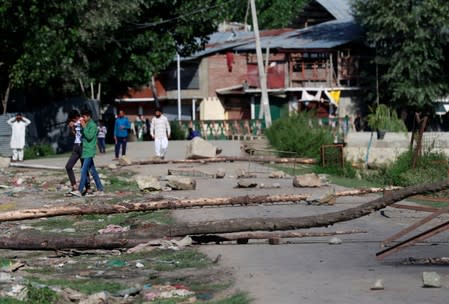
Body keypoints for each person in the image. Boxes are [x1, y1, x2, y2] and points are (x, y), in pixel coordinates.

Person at [70, 109, 104, 197]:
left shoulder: (93, 125)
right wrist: (74, 126)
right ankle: (100, 188)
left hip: (89, 150)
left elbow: (89, 136)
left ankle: (80, 190)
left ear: (89, 116)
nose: (83, 118)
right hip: (85, 150)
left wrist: (84, 126)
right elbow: (80, 134)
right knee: (93, 170)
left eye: (84, 116)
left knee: (83, 170)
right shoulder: (86, 124)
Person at [65, 110, 91, 194]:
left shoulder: (82, 120)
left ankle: (88, 188)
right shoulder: (75, 123)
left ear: (76, 117)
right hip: (76, 146)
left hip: (83, 146)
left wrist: (81, 124)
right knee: (68, 166)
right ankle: (74, 186)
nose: (73, 121)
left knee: (84, 168)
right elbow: (75, 134)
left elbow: (88, 133)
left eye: (73, 119)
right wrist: (72, 128)